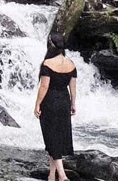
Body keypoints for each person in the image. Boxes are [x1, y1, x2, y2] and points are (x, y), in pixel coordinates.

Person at [34, 33, 77, 181]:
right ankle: (52, 175)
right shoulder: (71, 63)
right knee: (57, 137)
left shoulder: (47, 64)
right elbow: (73, 87)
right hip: (64, 101)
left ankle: (63, 176)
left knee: (51, 138)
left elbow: (44, 86)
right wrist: (73, 104)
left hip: (50, 102)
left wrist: (37, 104)